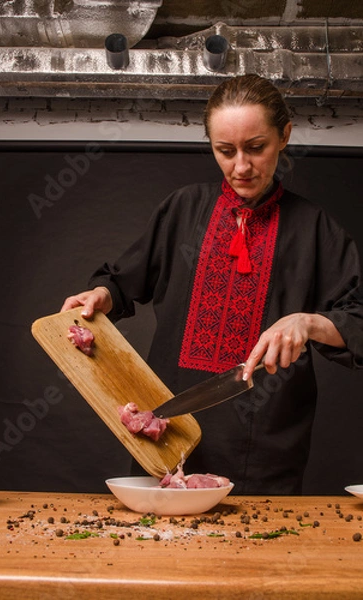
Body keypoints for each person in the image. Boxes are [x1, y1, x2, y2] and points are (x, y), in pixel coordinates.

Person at [61, 74, 363, 494]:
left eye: (256, 148)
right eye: (225, 150)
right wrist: (101, 296)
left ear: (285, 136)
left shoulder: (315, 229)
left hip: (266, 446)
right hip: (166, 432)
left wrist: (308, 323)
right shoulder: (183, 208)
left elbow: (358, 321)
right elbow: (123, 281)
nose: (241, 166)